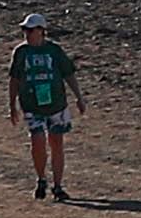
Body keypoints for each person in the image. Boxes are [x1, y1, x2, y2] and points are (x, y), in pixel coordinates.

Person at [7, 13, 84, 201]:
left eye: (30, 30)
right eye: (25, 30)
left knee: (57, 142)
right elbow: (14, 79)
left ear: (41, 31)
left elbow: (68, 74)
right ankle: (41, 178)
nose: (27, 33)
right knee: (38, 140)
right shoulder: (21, 52)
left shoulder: (54, 51)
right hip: (32, 104)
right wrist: (12, 105)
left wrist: (79, 97)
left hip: (56, 103)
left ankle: (58, 186)